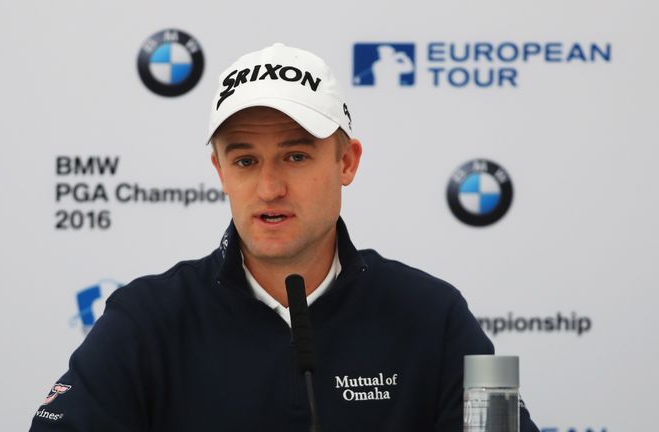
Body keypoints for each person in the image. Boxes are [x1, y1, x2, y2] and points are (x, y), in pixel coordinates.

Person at [30, 43, 539, 431]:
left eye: (296, 156)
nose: (270, 188)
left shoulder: (437, 314)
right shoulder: (144, 318)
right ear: (220, 172)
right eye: (246, 161)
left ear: (346, 162)